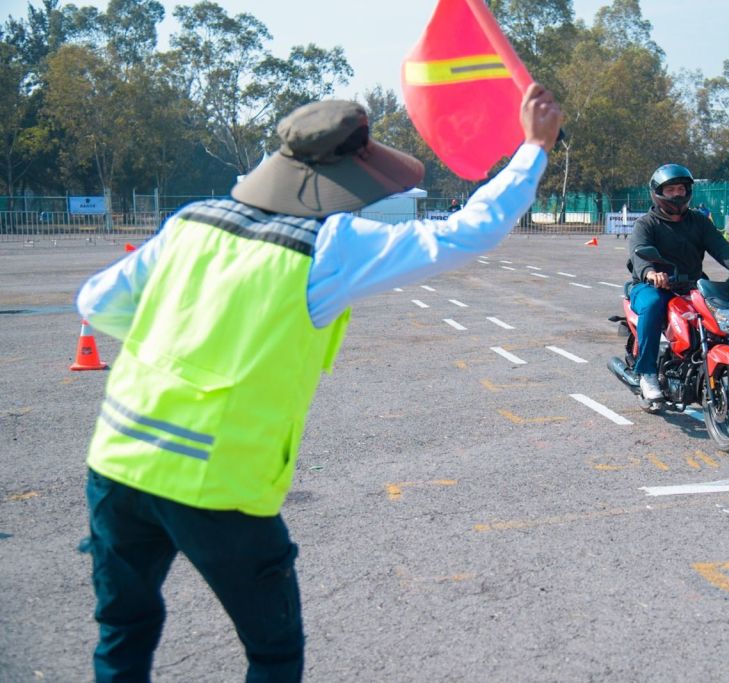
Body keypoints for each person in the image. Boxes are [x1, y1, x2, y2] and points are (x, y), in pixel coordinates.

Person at [76, 83, 563, 682]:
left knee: (124, 634)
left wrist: (185, 342)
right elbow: (464, 233)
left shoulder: (192, 222)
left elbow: (97, 301)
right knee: (272, 653)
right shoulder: (325, 247)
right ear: (343, 174)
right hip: (217, 481)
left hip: (117, 464)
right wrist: (534, 147)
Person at [628, 164, 729, 402]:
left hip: (692, 285)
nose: (677, 194)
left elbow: (720, 247)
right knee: (653, 304)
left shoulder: (699, 221)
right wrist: (650, 272)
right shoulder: (646, 224)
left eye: (681, 188)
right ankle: (647, 373)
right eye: (671, 189)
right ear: (658, 192)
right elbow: (637, 253)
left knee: (716, 308)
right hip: (652, 286)